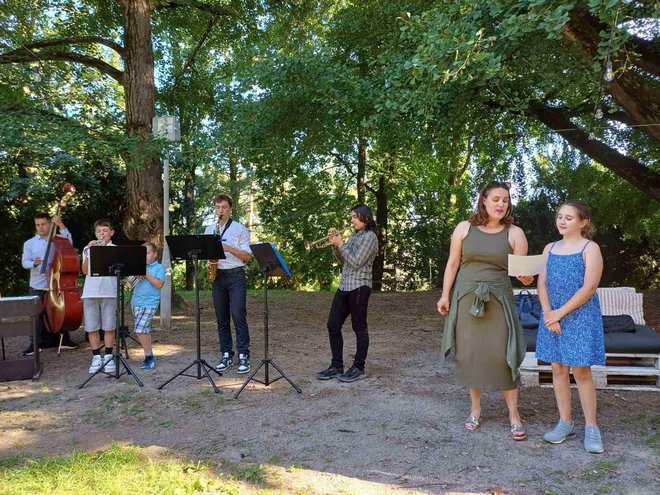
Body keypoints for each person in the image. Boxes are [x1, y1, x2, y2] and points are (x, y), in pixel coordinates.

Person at [437, 181, 534, 441]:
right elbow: (453, 263)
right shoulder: (464, 228)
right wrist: (445, 295)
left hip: (499, 300)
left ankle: (514, 415)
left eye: (505, 200)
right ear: (483, 201)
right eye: (496, 199)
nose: (501, 204)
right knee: (470, 354)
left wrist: (527, 279)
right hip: (466, 297)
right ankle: (475, 410)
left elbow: (521, 274)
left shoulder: (515, 233)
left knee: (504, 355)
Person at [536, 201, 605, 454]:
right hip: (552, 317)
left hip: (579, 317)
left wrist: (559, 314)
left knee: (582, 372)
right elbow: (541, 284)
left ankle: (591, 427)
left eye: (569, 218)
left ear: (583, 222)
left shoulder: (590, 248)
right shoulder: (549, 248)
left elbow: (588, 289)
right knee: (558, 369)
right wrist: (548, 314)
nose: (562, 221)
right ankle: (565, 422)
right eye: (559, 217)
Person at [316, 204, 379, 383]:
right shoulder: (355, 235)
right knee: (332, 325)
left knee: (359, 327)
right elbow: (343, 260)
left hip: (360, 286)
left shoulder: (370, 237)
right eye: (351, 217)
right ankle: (337, 365)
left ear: (365, 217)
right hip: (345, 285)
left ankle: (359, 367)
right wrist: (335, 245)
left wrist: (341, 243)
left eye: (354, 217)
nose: (351, 220)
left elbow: (357, 262)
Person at [204, 194, 253, 374]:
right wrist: (209, 262)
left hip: (236, 276)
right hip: (218, 277)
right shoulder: (210, 230)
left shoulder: (239, 229)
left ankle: (243, 355)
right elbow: (206, 254)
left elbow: (247, 256)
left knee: (238, 316)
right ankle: (226, 353)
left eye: (224, 207)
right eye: (218, 207)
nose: (221, 210)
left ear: (230, 208)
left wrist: (227, 248)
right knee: (221, 319)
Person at [21, 212, 79, 355]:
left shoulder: (58, 240)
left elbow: (69, 243)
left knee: (61, 311)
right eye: (38, 225)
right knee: (36, 314)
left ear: (49, 224)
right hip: (38, 283)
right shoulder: (29, 243)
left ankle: (64, 340)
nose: (40, 227)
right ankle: (34, 344)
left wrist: (60, 225)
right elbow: (24, 262)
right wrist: (33, 263)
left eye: (43, 224)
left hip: (57, 283)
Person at [81, 218, 117, 373]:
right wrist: (89, 252)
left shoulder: (115, 249)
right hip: (90, 292)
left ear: (111, 233)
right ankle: (96, 357)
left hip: (109, 292)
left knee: (109, 326)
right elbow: (84, 270)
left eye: (105, 231)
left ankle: (109, 356)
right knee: (91, 326)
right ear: (95, 233)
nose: (102, 234)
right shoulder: (87, 249)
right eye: (99, 231)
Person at [130, 242, 165, 370]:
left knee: (140, 329)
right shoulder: (136, 266)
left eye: (147, 253)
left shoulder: (159, 268)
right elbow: (129, 283)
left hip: (150, 303)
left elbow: (159, 284)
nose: (144, 256)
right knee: (144, 330)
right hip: (136, 302)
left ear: (155, 254)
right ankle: (148, 354)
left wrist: (145, 273)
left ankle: (149, 357)